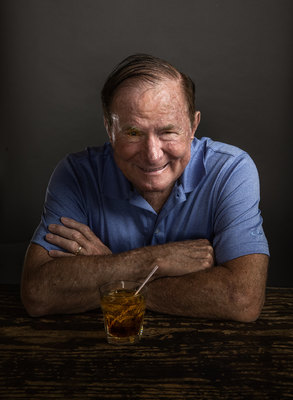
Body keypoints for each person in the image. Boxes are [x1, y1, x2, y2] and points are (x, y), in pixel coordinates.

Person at [21, 53, 269, 321]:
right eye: (133, 133)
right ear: (109, 129)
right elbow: (38, 293)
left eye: (168, 132)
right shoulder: (76, 174)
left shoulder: (231, 170)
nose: (152, 155)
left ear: (193, 125)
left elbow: (242, 299)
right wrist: (151, 261)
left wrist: (112, 273)